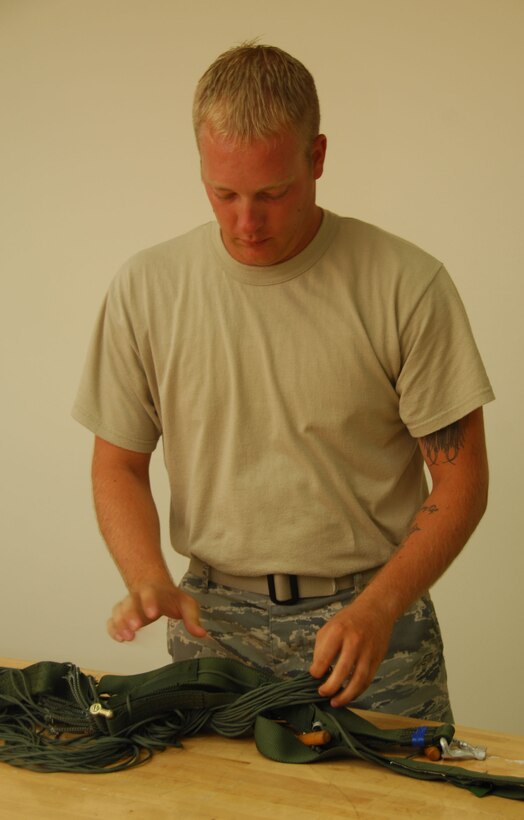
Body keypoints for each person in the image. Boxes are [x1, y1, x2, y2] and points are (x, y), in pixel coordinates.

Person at [73, 43, 494, 721]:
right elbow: (118, 464)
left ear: (317, 157)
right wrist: (147, 578)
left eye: (273, 193)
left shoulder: (406, 285)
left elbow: (462, 482)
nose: (246, 223)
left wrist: (380, 607)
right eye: (224, 193)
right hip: (214, 629)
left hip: (373, 625)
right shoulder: (147, 288)